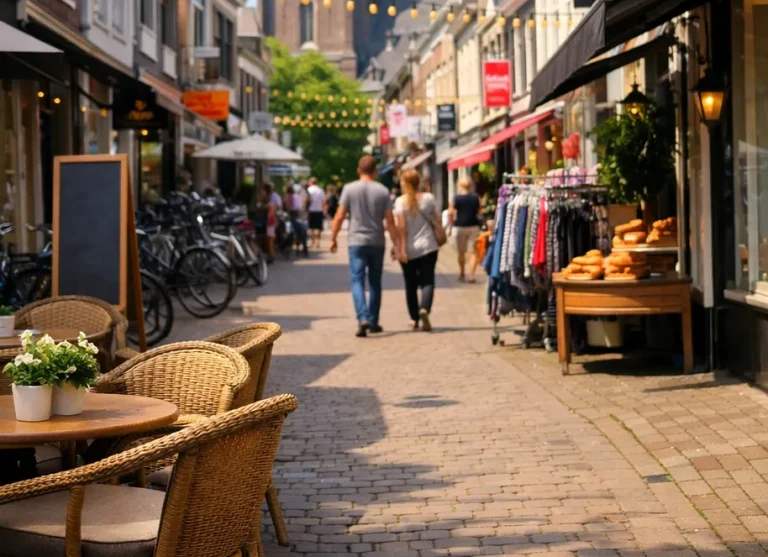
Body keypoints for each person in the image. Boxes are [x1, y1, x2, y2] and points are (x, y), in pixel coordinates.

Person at [330, 155, 398, 338]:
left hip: (356, 242)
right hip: (377, 241)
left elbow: (339, 215)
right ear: (375, 171)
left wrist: (333, 238)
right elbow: (390, 221)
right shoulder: (383, 191)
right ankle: (373, 321)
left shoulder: (349, 189)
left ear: (358, 171)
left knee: (357, 280)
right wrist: (396, 244)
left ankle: (362, 318)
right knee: (375, 282)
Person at [394, 170, 440, 332]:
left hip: (409, 248)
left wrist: (401, 249)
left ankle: (414, 318)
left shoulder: (400, 202)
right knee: (428, 281)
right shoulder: (429, 199)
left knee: (410, 284)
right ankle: (424, 309)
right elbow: (437, 220)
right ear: (418, 182)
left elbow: (401, 228)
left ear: (404, 184)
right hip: (429, 246)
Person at [448, 177, 482, 283]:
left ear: (459, 186)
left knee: (461, 252)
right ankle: (471, 275)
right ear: (470, 186)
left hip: (459, 227)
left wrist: (450, 225)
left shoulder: (456, 198)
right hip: (473, 226)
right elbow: (480, 211)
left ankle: (462, 273)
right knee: (473, 252)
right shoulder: (476, 198)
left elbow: (450, 213)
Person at [263, 183, 282, 262]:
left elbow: (274, 207)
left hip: (271, 220)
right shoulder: (271, 196)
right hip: (272, 219)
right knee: (270, 238)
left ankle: (271, 255)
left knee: (270, 238)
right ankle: (270, 254)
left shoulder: (272, 197)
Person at [306, 177, 326, 249]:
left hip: (310, 211)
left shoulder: (308, 190)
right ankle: (318, 242)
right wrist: (324, 210)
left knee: (310, 227)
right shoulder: (320, 190)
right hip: (319, 210)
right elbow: (324, 201)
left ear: (310, 182)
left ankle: (312, 242)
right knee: (318, 227)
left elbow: (305, 201)